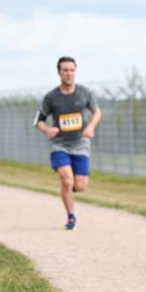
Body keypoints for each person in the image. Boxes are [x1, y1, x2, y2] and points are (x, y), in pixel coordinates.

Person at [35, 57, 101, 230]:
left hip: (80, 143)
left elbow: (97, 112)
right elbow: (39, 121)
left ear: (75, 71)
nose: (69, 73)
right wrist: (47, 130)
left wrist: (91, 127)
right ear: (59, 72)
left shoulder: (85, 93)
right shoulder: (51, 97)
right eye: (65, 70)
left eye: (72, 70)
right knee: (66, 180)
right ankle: (71, 216)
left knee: (79, 186)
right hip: (60, 144)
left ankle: (69, 190)